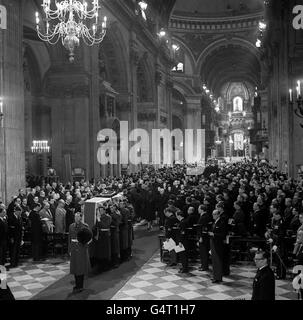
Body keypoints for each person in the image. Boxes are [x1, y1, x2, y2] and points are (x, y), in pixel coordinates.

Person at [68, 212, 92, 293]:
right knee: (75, 266)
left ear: (81, 217)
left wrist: (85, 245)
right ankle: (77, 285)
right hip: (74, 248)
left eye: (78, 216)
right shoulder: (71, 226)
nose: (76, 218)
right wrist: (69, 249)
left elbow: (89, 237)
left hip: (81, 248)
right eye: (75, 216)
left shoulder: (85, 226)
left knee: (80, 267)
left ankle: (80, 286)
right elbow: (69, 238)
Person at [209, 209, 228, 283]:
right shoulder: (214, 222)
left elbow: (223, 235)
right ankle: (215, 276)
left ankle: (218, 277)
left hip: (218, 244)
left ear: (218, 215)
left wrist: (214, 234)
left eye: (214, 214)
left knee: (218, 261)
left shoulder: (222, 223)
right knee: (214, 261)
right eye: (212, 214)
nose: (213, 216)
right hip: (213, 243)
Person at [92, 206, 112, 271]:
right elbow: (96, 226)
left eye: (101, 211)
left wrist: (99, 220)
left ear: (104, 211)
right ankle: (100, 265)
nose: (100, 212)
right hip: (99, 236)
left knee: (105, 251)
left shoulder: (108, 217)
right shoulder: (98, 217)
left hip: (105, 236)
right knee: (100, 252)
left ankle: (106, 265)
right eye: (99, 211)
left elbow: (105, 226)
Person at [197, 204, 212, 271]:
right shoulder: (206, 216)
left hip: (203, 237)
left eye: (199, 208)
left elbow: (203, 228)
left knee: (204, 252)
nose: (198, 210)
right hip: (205, 237)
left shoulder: (203, 217)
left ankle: (204, 266)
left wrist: (201, 237)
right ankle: (203, 265)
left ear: (202, 209)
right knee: (204, 252)